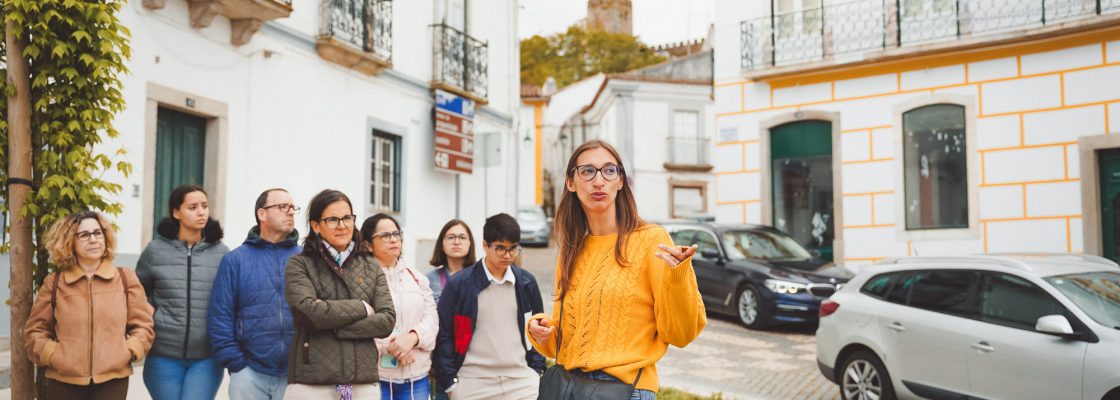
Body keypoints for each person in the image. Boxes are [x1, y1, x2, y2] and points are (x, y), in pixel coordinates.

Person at [526, 140, 707, 399]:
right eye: (587, 171)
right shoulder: (571, 249)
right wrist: (540, 330)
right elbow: (564, 344)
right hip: (570, 387)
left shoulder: (651, 240)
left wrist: (678, 278)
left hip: (627, 390)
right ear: (570, 182)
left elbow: (681, 334)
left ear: (620, 181)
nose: (598, 181)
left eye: (609, 171)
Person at [25, 211, 155, 399]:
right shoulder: (54, 283)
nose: (93, 239)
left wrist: (130, 351)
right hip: (63, 382)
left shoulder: (125, 278)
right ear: (70, 241)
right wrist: (53, 355)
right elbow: (34, 331)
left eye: (98, 233)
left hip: (112, 381)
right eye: (84, 235)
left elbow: (143, 325)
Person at [284, 189, 396, 399]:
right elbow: (309, 314)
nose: (342, 225)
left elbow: (387, 321)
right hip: (312, 382)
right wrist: (363, 308)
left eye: (347, 218)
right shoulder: (300, 264)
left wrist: (333, 325)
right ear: (316, 226)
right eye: (333, 219)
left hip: (362, 381)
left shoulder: (370, 266)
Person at [433, 213, 546, 400]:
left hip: (522, 381)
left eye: (513, 249)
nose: (508, 255)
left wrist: (537, 371)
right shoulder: (459, 284)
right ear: (485, 245)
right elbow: (443, 335)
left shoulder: (526, 283)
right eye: (500, 248)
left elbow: (538, 331)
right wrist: (451, 385)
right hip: (473, 381)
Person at [137, 184, 229, 400]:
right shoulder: (155, 251)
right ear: (176, 212)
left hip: (207, 357)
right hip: (162, 355)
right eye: (193, 207)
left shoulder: (222, 253)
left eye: (205, 206)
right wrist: (152, 315)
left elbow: (230, 298)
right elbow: (136, 294)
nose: (201, 212)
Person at [208, 188, 302, 399]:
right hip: (249, 374)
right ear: (262, 214)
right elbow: (220, 316)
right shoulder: (235, 260)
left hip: (296, 375)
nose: (291, 212)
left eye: (292, 207)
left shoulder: (305, 260)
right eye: (282, 207)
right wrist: (236, 364)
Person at [360, 213, 439, 400]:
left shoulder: (417, 278)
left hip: (416, 377)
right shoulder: (361, 281)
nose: (393, 239)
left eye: (396, 234)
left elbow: (432, 320)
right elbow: (361, 323)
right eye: (385, 236)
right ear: (368, 244)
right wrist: (395, 346)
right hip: (376, 376)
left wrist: (412, 338)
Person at [426, 219, 477, 304]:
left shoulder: (481, 276)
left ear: (470, 243)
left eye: (462, 237)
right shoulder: (429, 279)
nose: (457, 242)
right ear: (442, 244)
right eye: (451, 237)